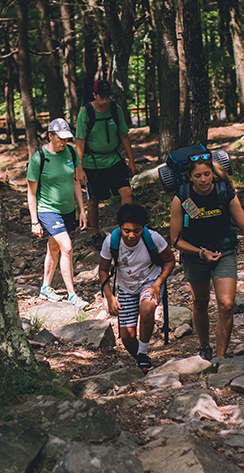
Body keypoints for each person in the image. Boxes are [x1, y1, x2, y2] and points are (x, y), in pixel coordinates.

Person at [169, 152, 244, 360]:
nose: (203, 180)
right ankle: (204, 346)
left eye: (207, 174)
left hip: (224, 251)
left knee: (226, 304)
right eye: (198, 176)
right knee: (200, 302)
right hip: (195, 254)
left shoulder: (224, 193)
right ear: (190, 177)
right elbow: (175, 239)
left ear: (213, 174)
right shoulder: (182, 198)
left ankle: (220, 357)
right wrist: (201, 252)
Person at [99, 203, 175, 373]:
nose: (132, 235)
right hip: (126, 288)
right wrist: (110, 297)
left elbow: (170, 261)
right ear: (120, 228)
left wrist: (158, 283)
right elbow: (103, 270)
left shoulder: (153, 238)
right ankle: (143, 361)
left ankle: (142, 353)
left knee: (147, 308)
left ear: (143, 228)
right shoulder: (111, 241)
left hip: (151, 281)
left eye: (137, 230)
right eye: (127, 231)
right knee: (127, 337)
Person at [26, 118, 89, 308]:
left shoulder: (70, 152)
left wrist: (82, 210)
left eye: (66, 138)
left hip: (68, 210)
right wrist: (34, 221)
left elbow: (76, 181)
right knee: (67, 247)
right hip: (48, 210)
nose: (64, 142)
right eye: (60, 138)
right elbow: (31, 192)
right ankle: (72, 294)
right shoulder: (39, 158)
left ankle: (45, 287)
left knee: (53, 247)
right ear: (50, 135)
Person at [75, 79, 136, 251]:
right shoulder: (85, 113)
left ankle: (125, 230)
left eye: (107, 97)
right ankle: (96, 234)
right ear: (94, 95)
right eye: (102, 97)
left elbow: (124, 135)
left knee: (127, 192)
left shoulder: (115, 110)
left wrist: (131, 160)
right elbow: (80, 142)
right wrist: (79, 169)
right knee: (94, 200)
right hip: (92, 163)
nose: (105, 100)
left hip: (114, 159)